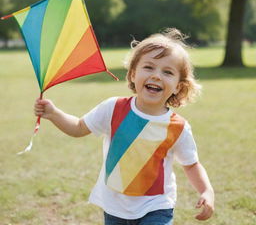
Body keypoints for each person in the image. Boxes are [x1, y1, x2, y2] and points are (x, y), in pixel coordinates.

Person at [34, 28, 214, 225]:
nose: (156, 76)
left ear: (178, 86)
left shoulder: (178, 127)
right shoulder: (113, 108)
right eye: (149, 67)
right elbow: (78, 127)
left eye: (167, 72)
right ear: (133, 74)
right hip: (115, 207)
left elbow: (191, 164)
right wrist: (53, 113)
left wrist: (207, 191)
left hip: (156, 206)